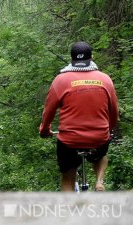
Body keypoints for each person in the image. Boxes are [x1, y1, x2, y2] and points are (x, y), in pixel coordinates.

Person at [39, 41, 118, 192]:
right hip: (98, 137)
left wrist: (45, 130)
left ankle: (69, 210)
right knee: (101, 156)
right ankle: (99, 182)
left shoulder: (61, 80)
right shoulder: (105, 79)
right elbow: (114, 111)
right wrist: (110, 128)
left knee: (68, 177)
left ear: (72, 58)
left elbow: (48, 111)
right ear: (92, 57)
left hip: (70, 140)